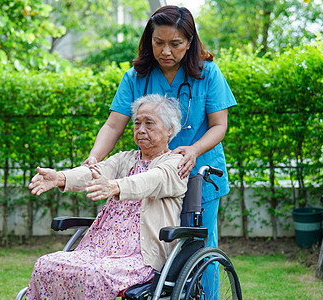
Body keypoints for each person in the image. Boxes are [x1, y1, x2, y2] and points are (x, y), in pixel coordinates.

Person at [84, 5, 236, 296]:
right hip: (152, 176)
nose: (166, 51)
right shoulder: (135, 77)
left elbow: (219, 126)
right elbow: (114, 125)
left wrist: (192, 150)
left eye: (175, 44)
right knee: (151, 249)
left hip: (199, 175)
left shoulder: (208, 74)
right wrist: (95, 157)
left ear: (190, 42)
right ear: (148, 40)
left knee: (199, 250)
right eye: (159, 42)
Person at [25, 94, 188, 300]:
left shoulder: (176, 164)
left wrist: (115, 186)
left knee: (93, 274)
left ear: (170, 129)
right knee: (45, 264)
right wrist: (60, 177)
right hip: (98, 248)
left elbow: (150, 180)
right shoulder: (124, 158)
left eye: (149, 123)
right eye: (137, 123)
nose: (141, 130)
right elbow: (94, 171)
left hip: (139, 256)